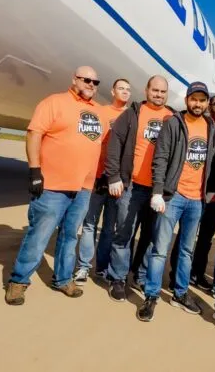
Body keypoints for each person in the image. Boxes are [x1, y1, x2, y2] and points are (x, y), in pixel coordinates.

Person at [5, 66, 106, 305]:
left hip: (83, 188)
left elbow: (100, 145)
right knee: (39, 235)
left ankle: (62, 279)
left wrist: (100, 176)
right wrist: (34, 170)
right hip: (53, 186)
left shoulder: (99, 112)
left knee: (70, 236)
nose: (91, 85)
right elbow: (34, 134)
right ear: (74, 79)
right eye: (86, 80)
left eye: (95, 82)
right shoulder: (54, 102)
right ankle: (19, 281)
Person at [136, 82, 215, 322]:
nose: (198, 104)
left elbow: (214, 161)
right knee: (159, 249)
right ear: (186, 101)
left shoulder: (211, 127)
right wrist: (157, 191)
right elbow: (161, 157)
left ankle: (180, 293)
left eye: (202, 100)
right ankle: (151, 295)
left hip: (197, 200)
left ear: (207, 103)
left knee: (186, 250)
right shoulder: (174, 123)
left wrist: (210, 192)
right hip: (173, 197)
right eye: (194, 99)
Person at [102, 75, 173, 302]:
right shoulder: (133, 113)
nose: (158, 95)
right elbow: (115, 144)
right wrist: (114, 176)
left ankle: (140, 276)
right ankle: (118, 278)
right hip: (131, 186)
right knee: (124, 233)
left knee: (151, 237)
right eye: (155, 90)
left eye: (162, 91)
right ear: (146, 90)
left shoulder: (172, 118)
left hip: (158, 190)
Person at [74, 78, 131, 285]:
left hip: (118, 182)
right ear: (113, 91)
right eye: (121, 88)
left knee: (109, 227)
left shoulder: (132, 116)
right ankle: (83, 266)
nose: (125, 92)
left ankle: (102, 267)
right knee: (89, 224)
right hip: (97, 178)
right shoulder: (100, 111)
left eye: (128, 89)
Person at [173, 94, 215, 291]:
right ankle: (175, 276)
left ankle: (197, 272)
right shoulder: (202, 126)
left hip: (214, 195)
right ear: (209, 106)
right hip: (195, 191)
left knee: (206, 237)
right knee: (185, 236)